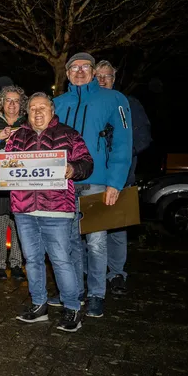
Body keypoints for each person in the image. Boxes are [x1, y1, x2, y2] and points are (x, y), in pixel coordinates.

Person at [53, 52, 132, 319]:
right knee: (69, 242)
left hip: (98, 182)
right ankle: (74, 291)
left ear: (93, 71)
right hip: (63, 183)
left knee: (96, 243)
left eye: (84, 67)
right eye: (73, 67)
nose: (79, 71)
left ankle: (97, 294)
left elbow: (123, 142)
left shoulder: (114, 99)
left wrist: (115, 183)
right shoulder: (57, 103)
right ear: (67, 73)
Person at [7, 93, 94, 332]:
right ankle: (39, 305)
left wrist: (73, 169)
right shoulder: (17, 136)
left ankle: (72, 307)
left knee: (61, 259)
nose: (37, 112)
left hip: (56, 208)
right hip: (24, 208)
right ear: (27, 112)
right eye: (33, 108)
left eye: (42, 107)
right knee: (32, 260)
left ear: (52, 111)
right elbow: (6, 164)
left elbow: (87, 162)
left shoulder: (68, 134)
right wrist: (1, 172)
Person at [95, 60, 152, 295]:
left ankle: (116, 274)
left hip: (121, 177)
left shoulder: (128, 103)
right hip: (92, 178)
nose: (102, 80)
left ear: (114, 78)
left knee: (116, 230)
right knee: (88, 229)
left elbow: (143, 138)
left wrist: (119, 154)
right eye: (97, 76)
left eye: (106, 76)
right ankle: (90, 274)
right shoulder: (88, 104)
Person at [0, 86, 27, 280]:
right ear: (1, 102)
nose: (12, 104)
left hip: (20, 178)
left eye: (16, 101)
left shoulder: (27, 123)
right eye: (8, 100)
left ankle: (17, 264)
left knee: (20, 222)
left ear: (21, 104)